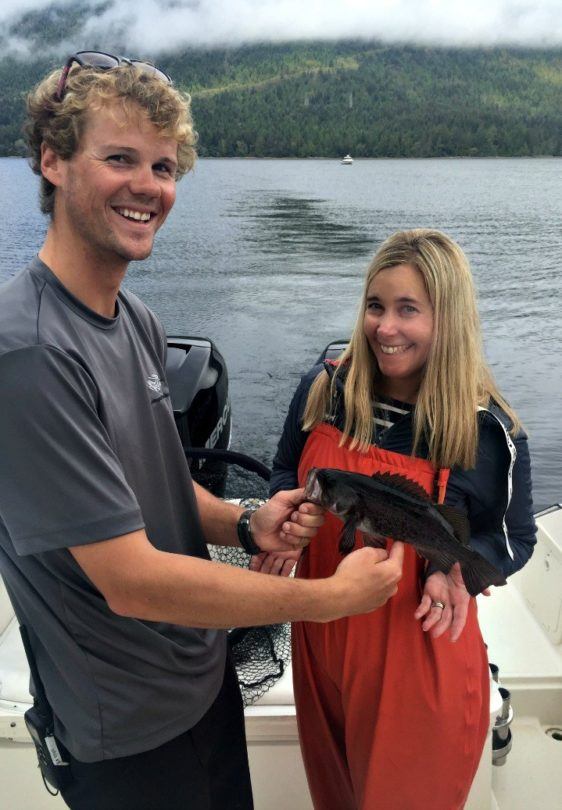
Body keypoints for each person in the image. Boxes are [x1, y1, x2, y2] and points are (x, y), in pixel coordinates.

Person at [0, 53, 404, 810]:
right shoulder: (25, 353)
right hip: (126, 735)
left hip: (200, 682)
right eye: (119, 158)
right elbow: (131, 581)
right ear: (51, 160)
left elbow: (154, 487)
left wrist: (247, 523)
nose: (150, 186)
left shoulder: (136, 321)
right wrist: (327, 598)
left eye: (163, 164)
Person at [269, 229, 536, 810]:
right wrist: (284, 520)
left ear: (449, 319)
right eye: (375, 306)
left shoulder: (486, 430)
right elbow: (287, 469)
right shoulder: (325, 388)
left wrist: (458, 574)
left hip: (420, 652)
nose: (384, 329)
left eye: (407, 310)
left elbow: (515, 537)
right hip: (319, 645)